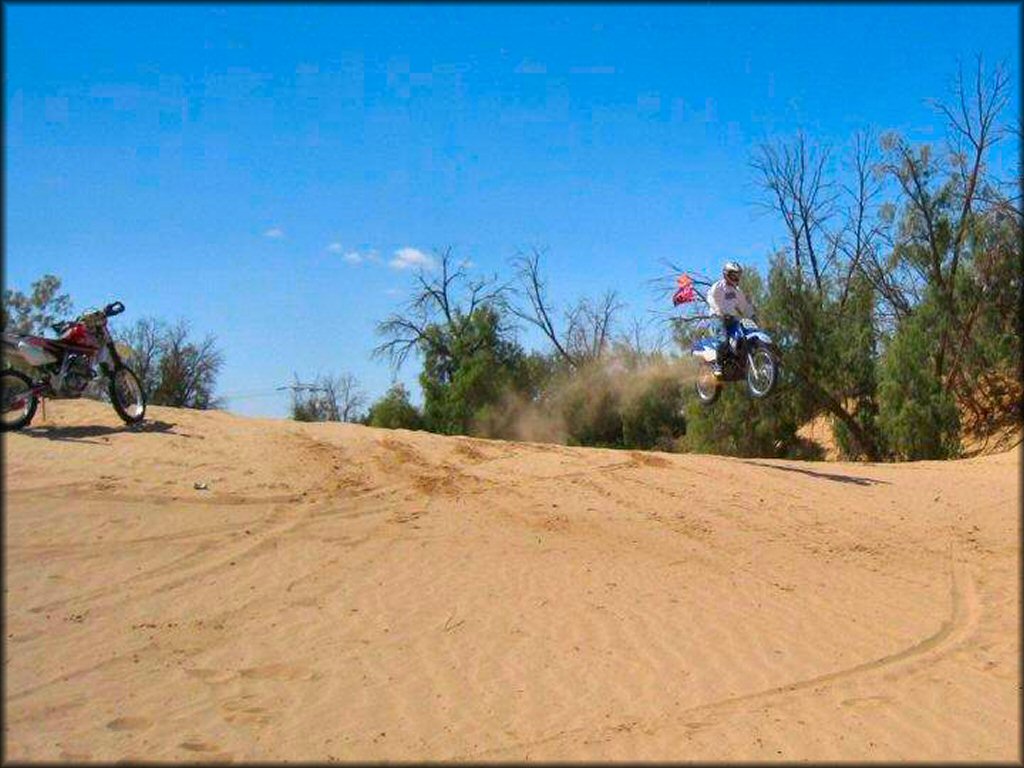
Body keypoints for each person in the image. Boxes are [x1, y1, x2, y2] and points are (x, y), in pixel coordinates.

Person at [706, 261, 755, 376]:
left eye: (738, 275)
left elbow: (744, 307)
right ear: (726, 274)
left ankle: (739, 363)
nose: (736, 277)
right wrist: (717, 309)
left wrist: (752, 315)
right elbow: (710, 298)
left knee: (743, 336)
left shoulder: (737, 291)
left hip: (732, 319)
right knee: (723, 340)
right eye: (734, 275)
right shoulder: (718, 286)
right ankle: (718, 365)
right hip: (717, 318)